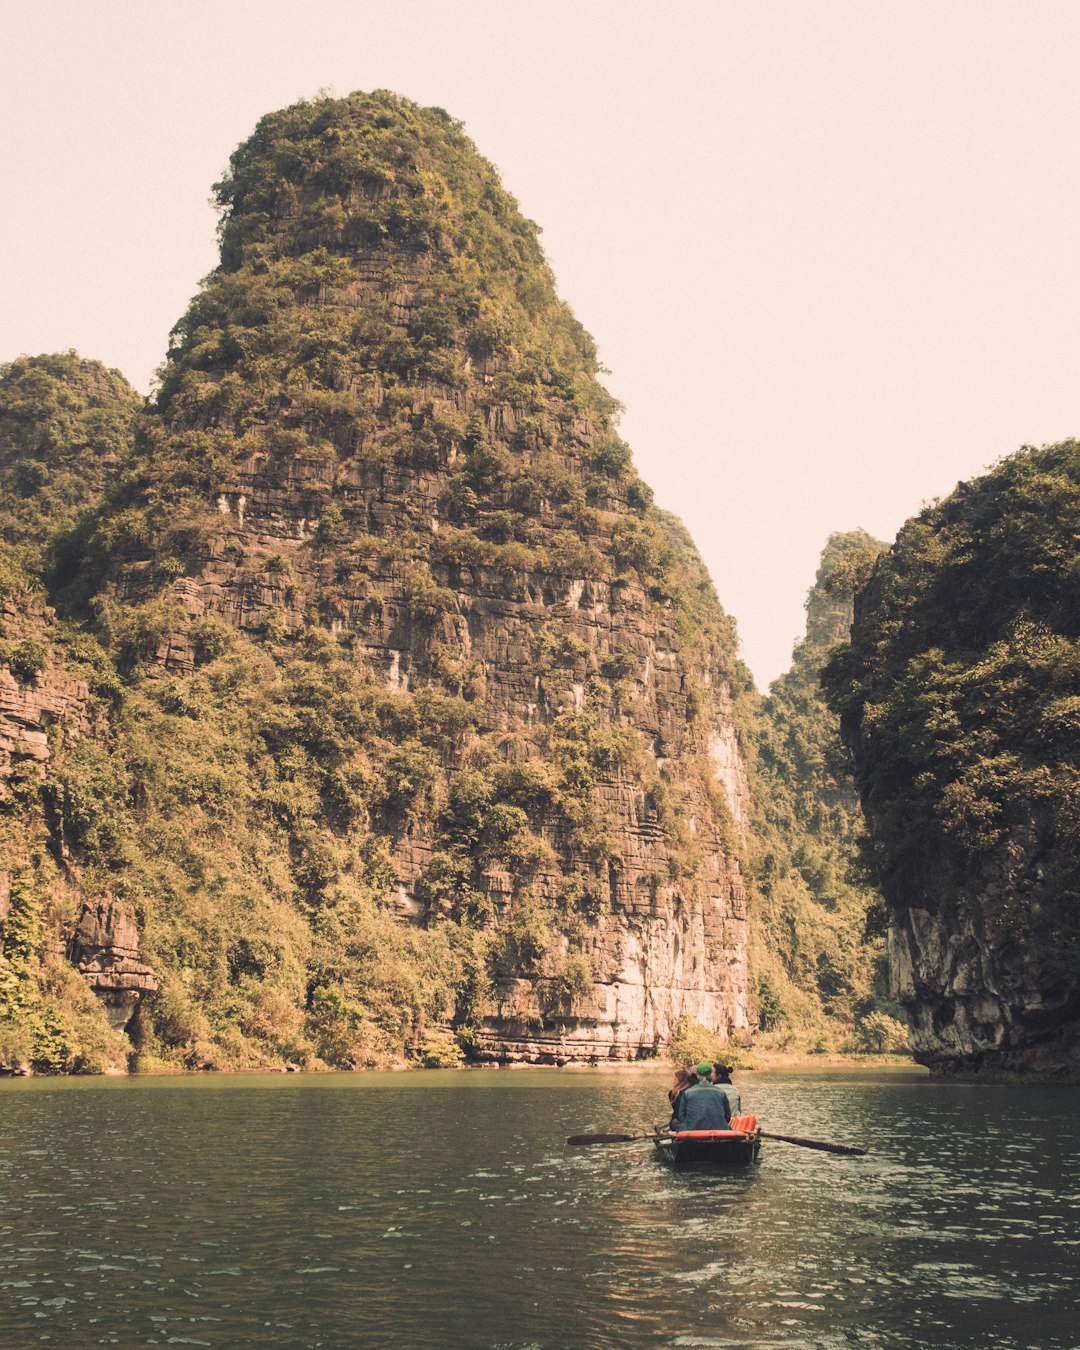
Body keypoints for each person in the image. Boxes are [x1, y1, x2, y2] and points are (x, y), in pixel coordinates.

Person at [675, 1063, 733, 1131]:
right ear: (711, 1075)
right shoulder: (721, 1093)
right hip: (718, 1130)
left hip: (692, 1130)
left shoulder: (687, 1093)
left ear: (697, 1076)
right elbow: (727, 1116)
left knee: (675, 1123)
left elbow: (682, 1116)